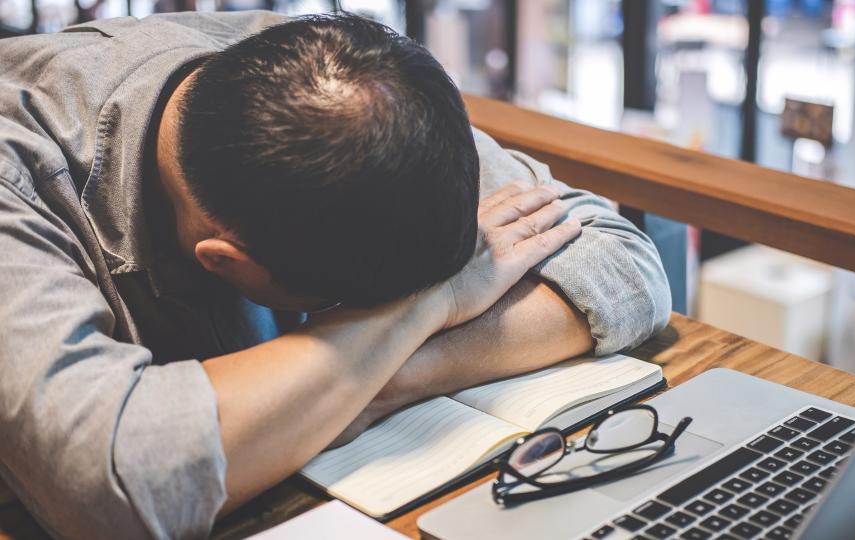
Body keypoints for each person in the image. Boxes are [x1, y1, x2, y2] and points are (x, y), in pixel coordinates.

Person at [0, 11, 670, 539]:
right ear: (227, 263)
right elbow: (114, 486)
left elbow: (625, 265)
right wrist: (427, 309)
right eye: (345, 308)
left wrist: (371, 380)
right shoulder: (18, 179)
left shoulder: (337, 81)